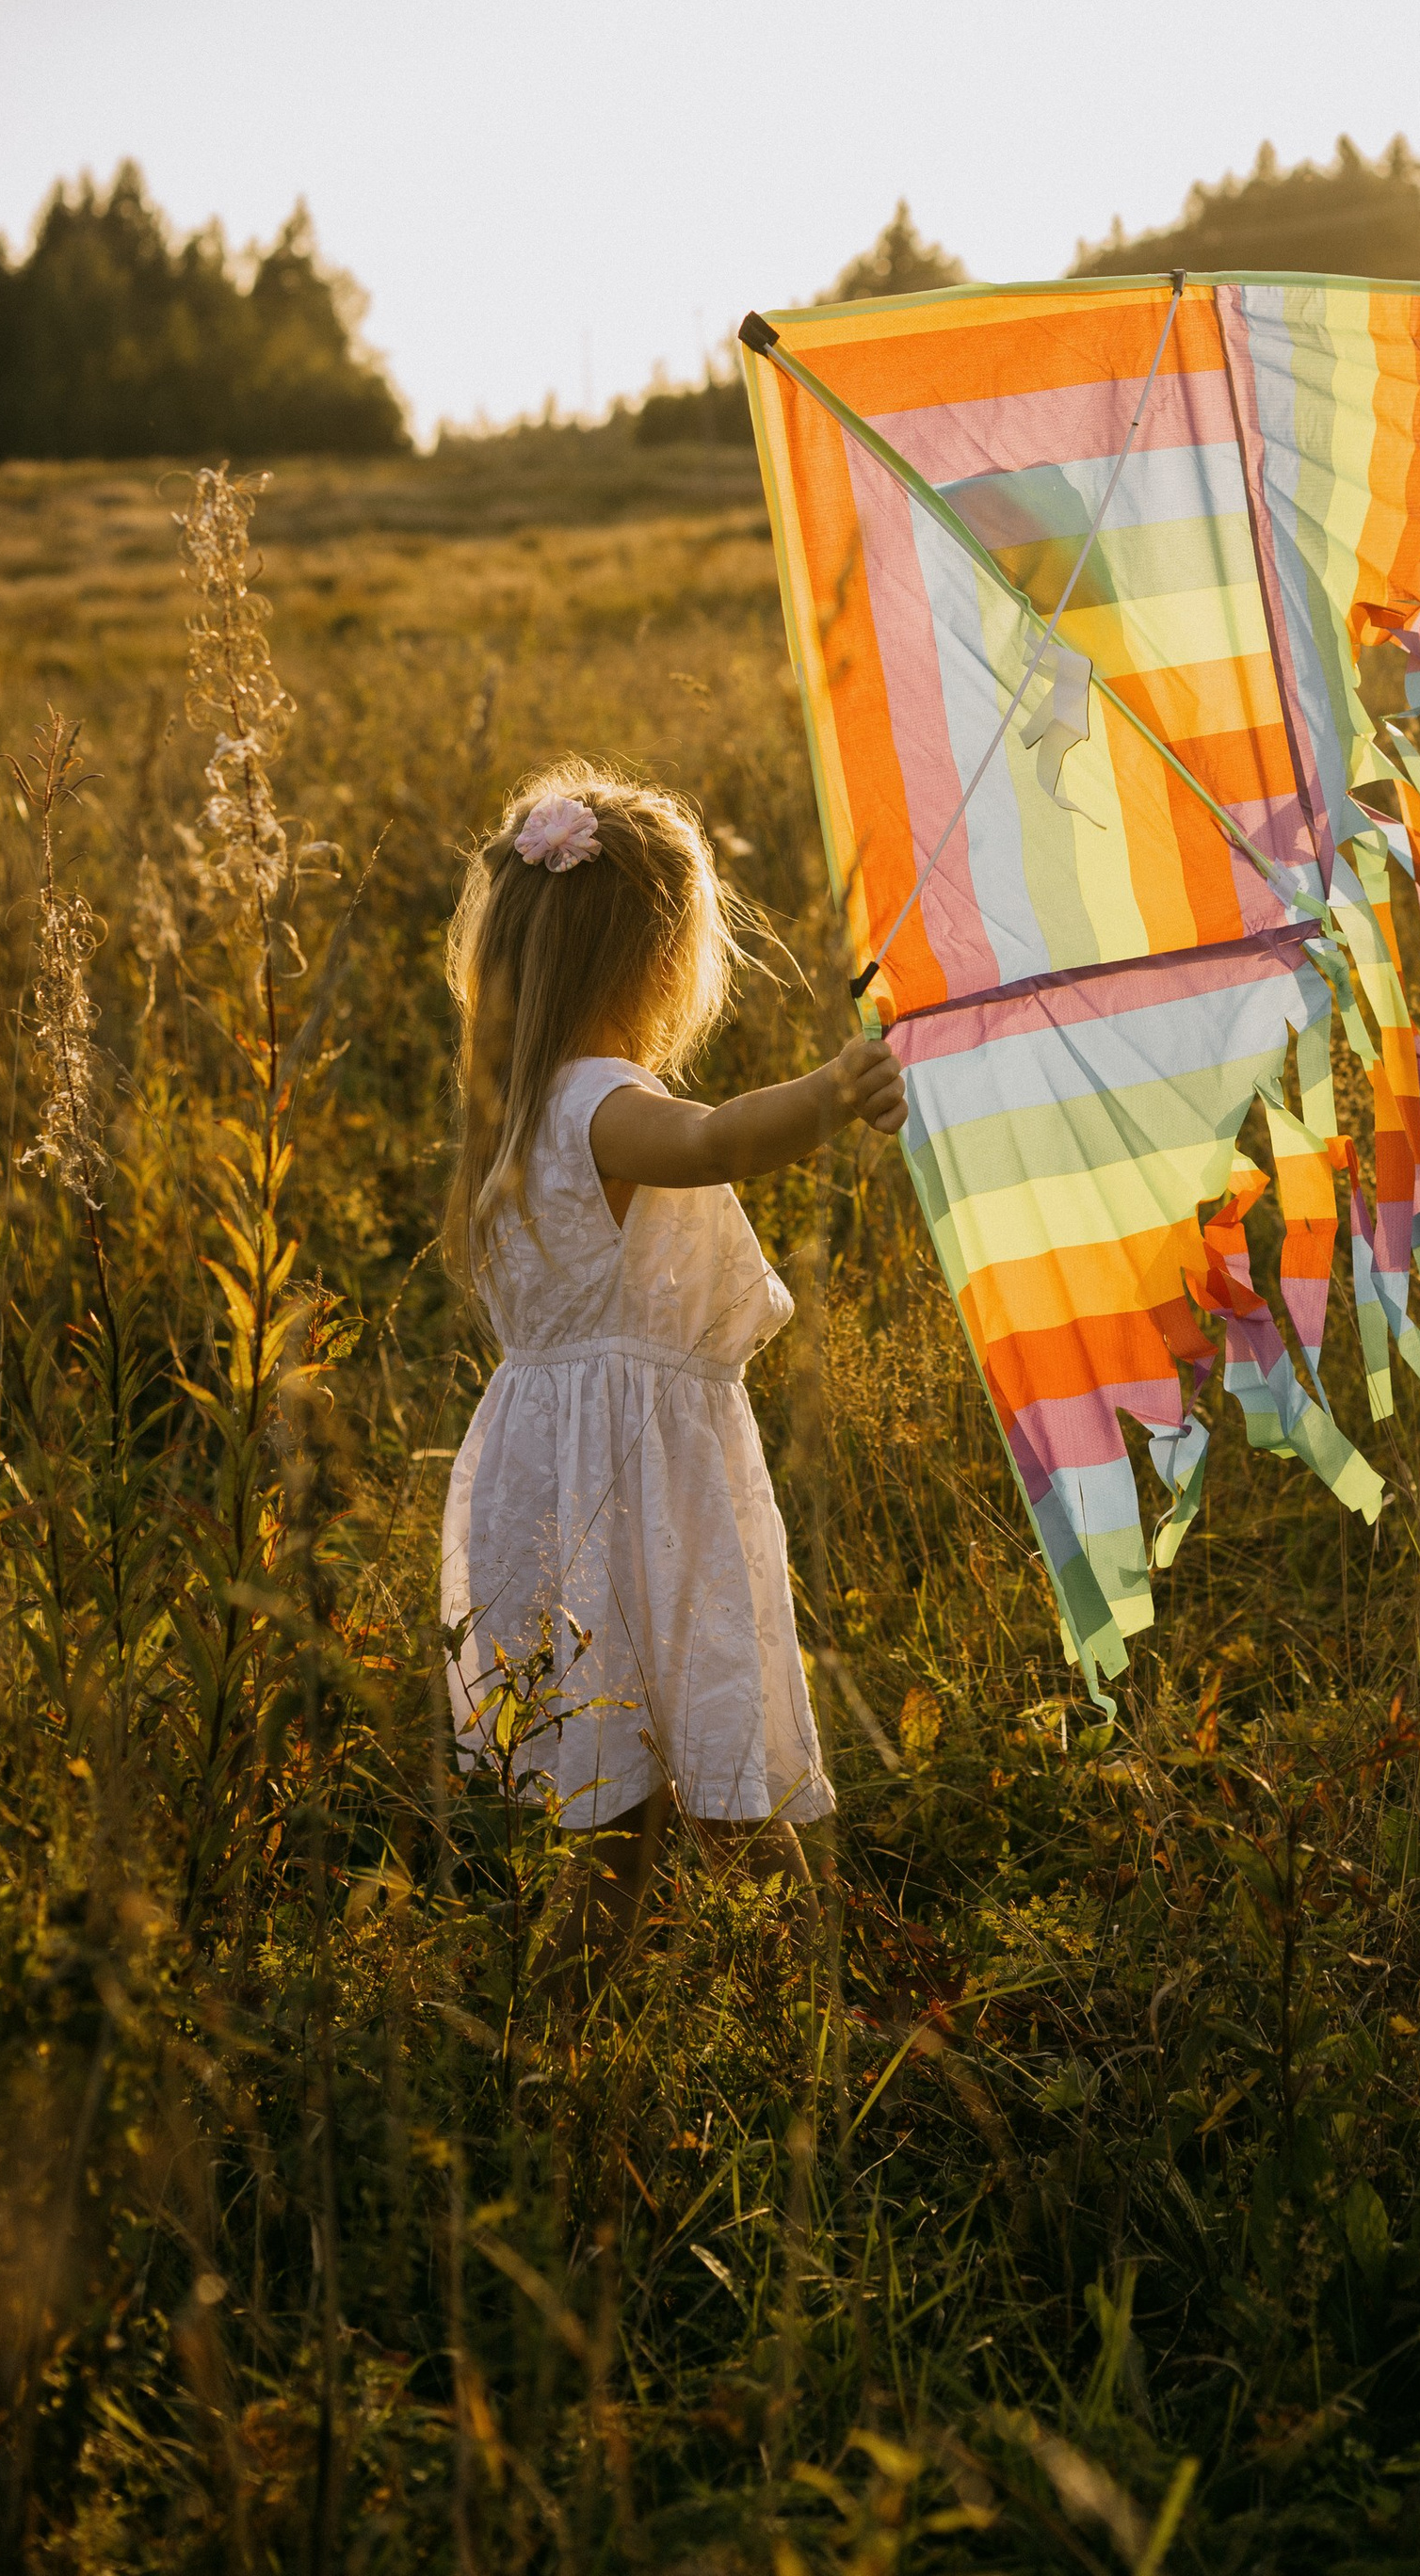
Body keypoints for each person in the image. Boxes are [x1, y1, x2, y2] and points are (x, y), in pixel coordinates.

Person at [438, 759, 906, 1976]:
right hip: (646, 1491)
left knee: (618, 1821)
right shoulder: (601, 1103)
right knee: (723, 1784)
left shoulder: (517, 1109)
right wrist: (836, 1089)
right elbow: (714, 1140)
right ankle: (804, 2006)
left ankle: (571, 2027)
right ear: (652, 963)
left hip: (557, 1483)